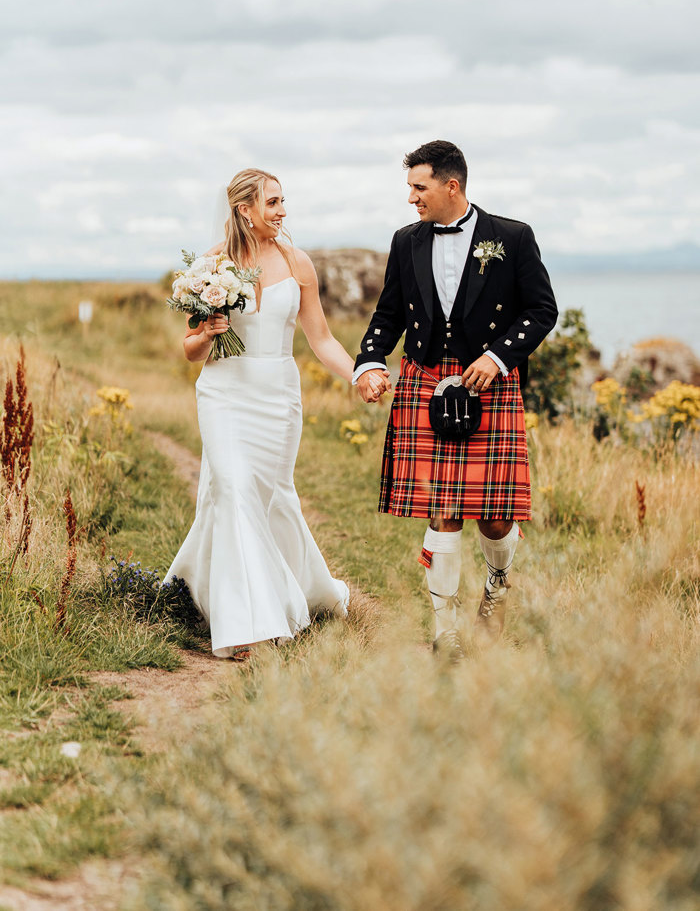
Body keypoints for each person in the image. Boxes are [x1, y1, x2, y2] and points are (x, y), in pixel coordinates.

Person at [354, 140, 557, 656]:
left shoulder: (511, 236)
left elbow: (541, 310)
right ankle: (445, 630)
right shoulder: (406, 241)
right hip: (427, 379)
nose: (411, 199)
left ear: (452, 185)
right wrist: (371, 363)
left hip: (487, 380)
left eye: (418, 188)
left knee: (493, 512)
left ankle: (498, 581)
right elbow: (389, 313)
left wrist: (497, 357)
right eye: (409, 189)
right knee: (442, 509)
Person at [165, 168, 376, 659]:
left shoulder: (297, 262)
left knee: (271, 496)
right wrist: (207, 332)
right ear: (245, 209)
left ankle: (296, 588)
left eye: (283, 202)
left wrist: (359, 374)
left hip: (278, 397)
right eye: (274, 202)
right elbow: (191, 350)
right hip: (224, 393)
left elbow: (320, 339)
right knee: (235, 488)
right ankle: (247, 626)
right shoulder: (210, 265)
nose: (283, 211)